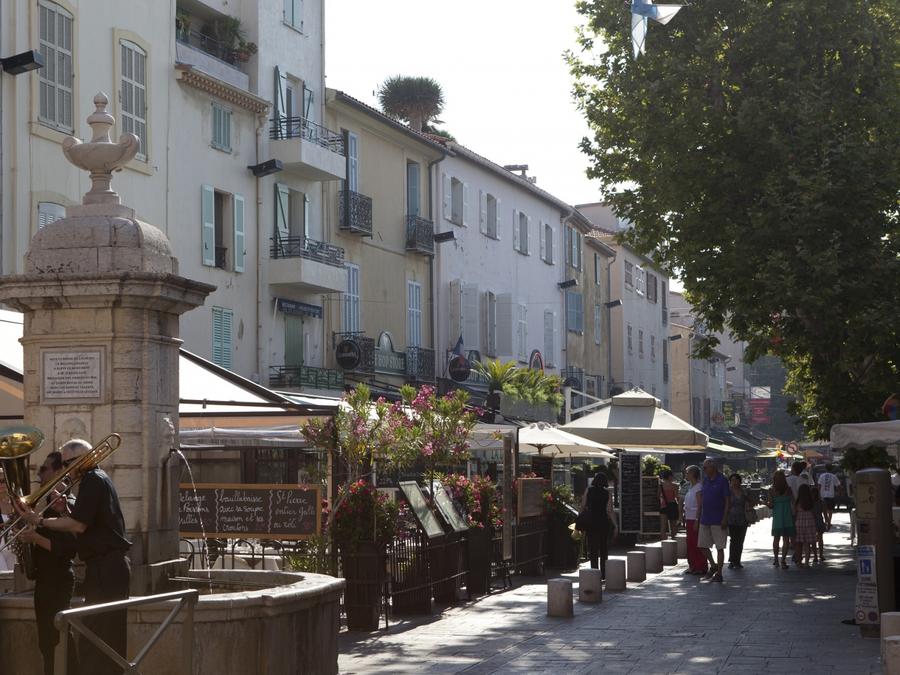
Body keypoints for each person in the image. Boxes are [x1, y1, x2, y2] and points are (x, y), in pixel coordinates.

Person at [17, 438, 132, 675]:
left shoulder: (93, 479)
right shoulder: (96, 479)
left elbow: (78, 526)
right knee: (100, 636)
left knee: (98, 638)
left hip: (106, 566)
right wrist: (65, 511)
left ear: (80, 461)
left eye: (67, 464)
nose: (65, 471)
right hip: (105, 566)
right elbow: (86, 522)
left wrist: (39, 521)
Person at [18, 451, 80, 675]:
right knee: (46, 639)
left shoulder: (67, 504)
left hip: (58, 579)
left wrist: (35, 538)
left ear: (58, 472)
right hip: (44, 579)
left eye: (44, 469)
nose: (39, 474)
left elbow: (68, 549)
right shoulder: (46, 504)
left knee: (58, 636)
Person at [697, 459, 730, 583]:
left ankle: (719, 573)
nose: (704, 470)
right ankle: (713, 565)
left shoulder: (722, 480)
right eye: (703, 468)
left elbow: (727, 500)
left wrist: (725, 517)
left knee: (719, 547)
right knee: (702, 545)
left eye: (706, 467)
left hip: (718, 519)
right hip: (705, 518)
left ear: (713, 468)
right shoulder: (705, 480)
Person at [581, 473, 616, 578]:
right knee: (603, 548)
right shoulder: (607, 493)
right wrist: (616, 524)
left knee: (593, 548)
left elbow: (583, 505)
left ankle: (594, 572)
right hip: (603, 522)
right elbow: (609, 510)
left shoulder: (588, 490)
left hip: (591, 522)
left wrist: (579, 519)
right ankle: (604, 574)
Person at [680, 465, 707, 576]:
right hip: (688, 517)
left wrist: (697, 519)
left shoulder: (699, 487)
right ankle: (693, 565)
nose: (686, 475)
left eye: (687, 472)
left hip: (695, 518)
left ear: (692, 474)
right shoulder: (690, 487)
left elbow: (700, 505)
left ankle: (701, 566)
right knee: (690, 542)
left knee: (697, 543)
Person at [769, 470, 795, 568]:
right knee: (786, 539)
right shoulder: (789, 489)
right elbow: (793, 502)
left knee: (776, 539)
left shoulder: (771, 490)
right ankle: (783, 560)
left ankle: (776, 559)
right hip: (787, 516)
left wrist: (766, 503)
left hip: (777, 518)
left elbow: (771, 505)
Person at [726, 473, 749, 569]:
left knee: (740, 540)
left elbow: (750, 501)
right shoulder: (728, 492)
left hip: (743, 518)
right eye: (732, 480)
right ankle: (732, 560)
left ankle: (738, 560)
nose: (734, 482)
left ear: (740, 481)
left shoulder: (744, 491)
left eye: (736, 480)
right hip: (731, 518)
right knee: (733, 540)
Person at [794, 484, 816, 567]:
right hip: (809, 522)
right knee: (807, 544)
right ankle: (807, 562)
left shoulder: (797, 501)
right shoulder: (810, 501)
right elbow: (813, 512)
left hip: (799, 523)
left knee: (799, 543)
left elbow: (795, 512)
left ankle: (799, 562)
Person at [817, 464, 841, 530]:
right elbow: (838, 485)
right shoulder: (834, 476)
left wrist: (818, 494)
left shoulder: (822, 476)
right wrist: (838, 493)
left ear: (825, 468)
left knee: (823, 510)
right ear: (832, 469)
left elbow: (819, 486)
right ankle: (829, 522)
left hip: (822, 496)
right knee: (830, 510)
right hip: (831, 495)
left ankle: (826, 521)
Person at [659, 469, 679, 540]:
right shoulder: (674, 485)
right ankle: (673, 540)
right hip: (672, 505)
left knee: (663, 526)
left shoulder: (661, 485)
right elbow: (676, 497)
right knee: (673, 525)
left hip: (663, 506)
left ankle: (663, 541)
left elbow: (658, 495)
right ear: (670, 476)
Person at [811, 486, 826, 564]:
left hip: (812, 522)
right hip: (819, 521)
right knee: (820, 539)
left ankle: (815, 556)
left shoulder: (809, 503)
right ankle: (820, 555)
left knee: (813, 540)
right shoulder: (821, 502)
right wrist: (827, 522)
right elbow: (825, 513)